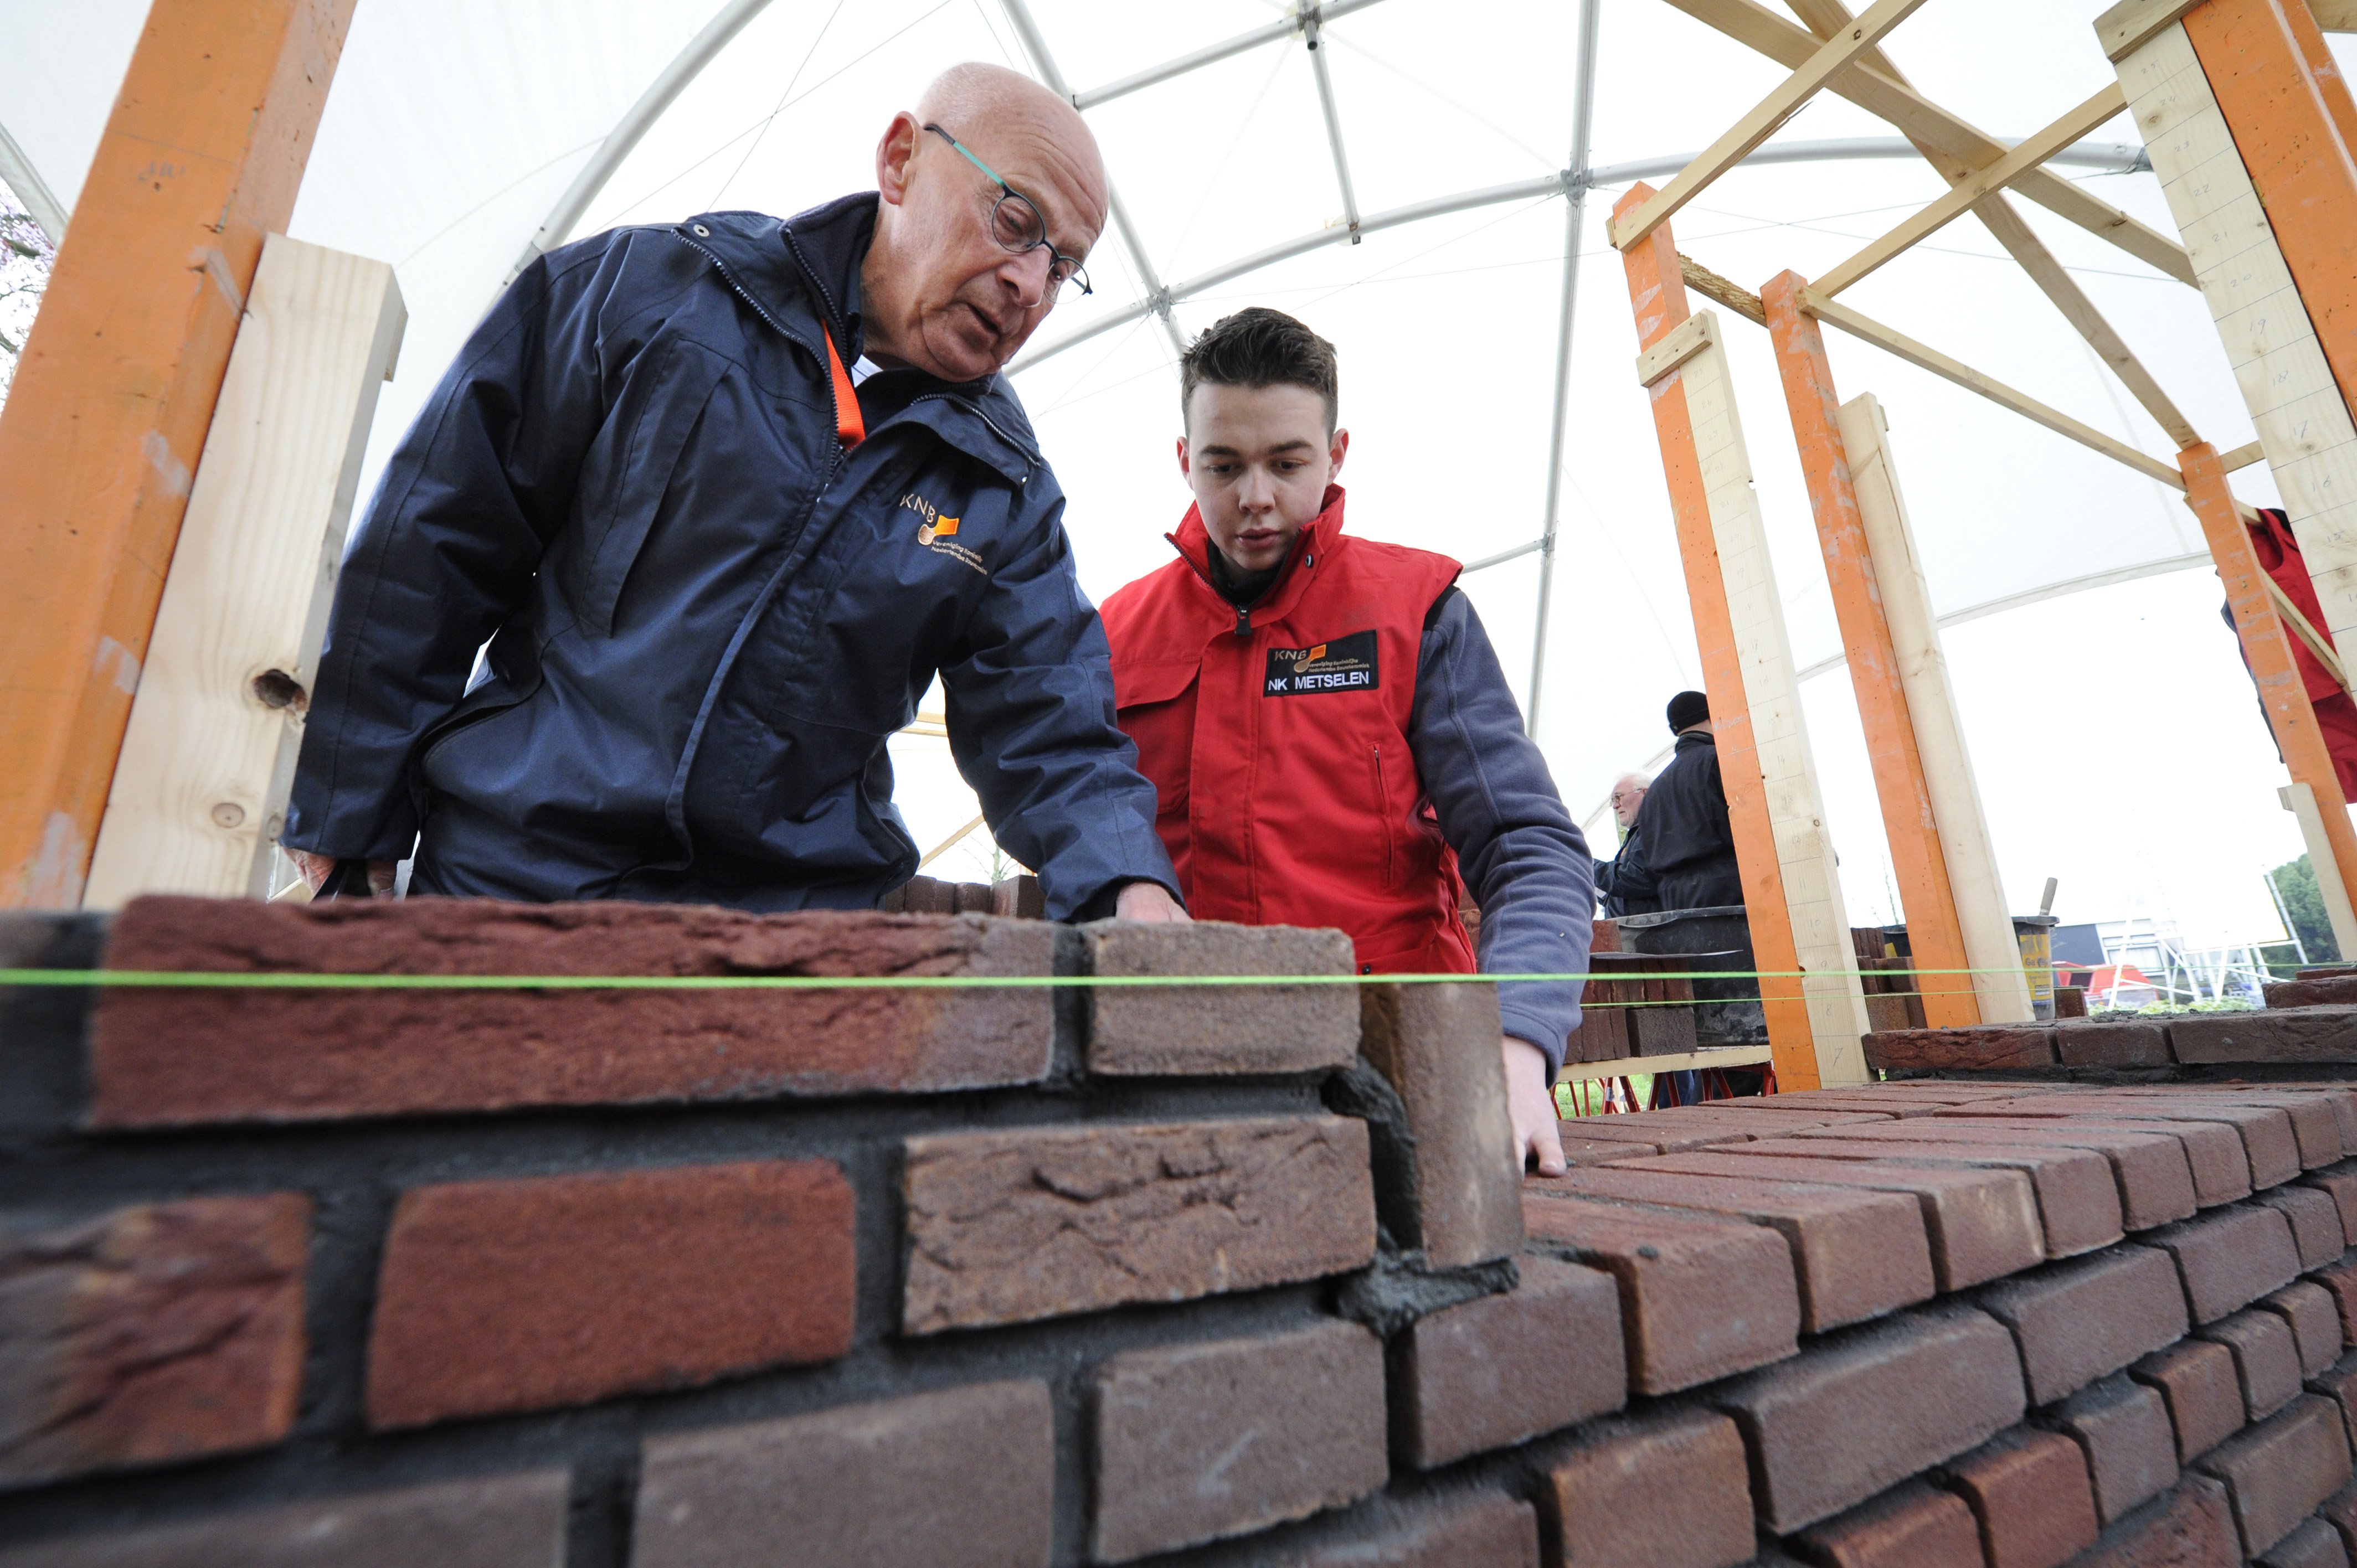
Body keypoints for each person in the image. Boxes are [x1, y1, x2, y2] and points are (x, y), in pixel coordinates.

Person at [279, 64, 1186, 925]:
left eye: (1063, 266)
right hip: (510, 887)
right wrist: (349, 818)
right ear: (902, 159)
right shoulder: (649, 298)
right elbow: (430, 551)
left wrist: (1129, 884)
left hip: (783, 942)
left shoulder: (1003, 488)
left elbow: (1052, 725)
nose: (1030, 283)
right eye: (1015, 220)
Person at [1097, 308, 1594, 1175]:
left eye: (1287, 464)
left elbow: (1529, 848)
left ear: (1337, 453)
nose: (1256, 498)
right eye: (1223, 466)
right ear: (1184, 460)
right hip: (1185, 1075)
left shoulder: (1415, 610)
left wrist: (1517, 1046)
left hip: (1397, 1071)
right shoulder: (1114, 635)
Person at [1608, 690, 1742, 914]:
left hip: (1675, 905)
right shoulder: (1720, 762)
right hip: (1728, 895)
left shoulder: (1657, 789)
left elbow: (1650, 860)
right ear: (1713, 715)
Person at [1592, 770, 1649, 916]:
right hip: (1630, 931)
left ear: (1645, 793)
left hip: (1644, 932)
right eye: (1613, 800)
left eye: (1619, 797)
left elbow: (1636, 879)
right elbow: (1622, 892)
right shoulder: (1638, 833)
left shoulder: (1654, 829)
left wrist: (1586, 865)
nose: (1615, 805)